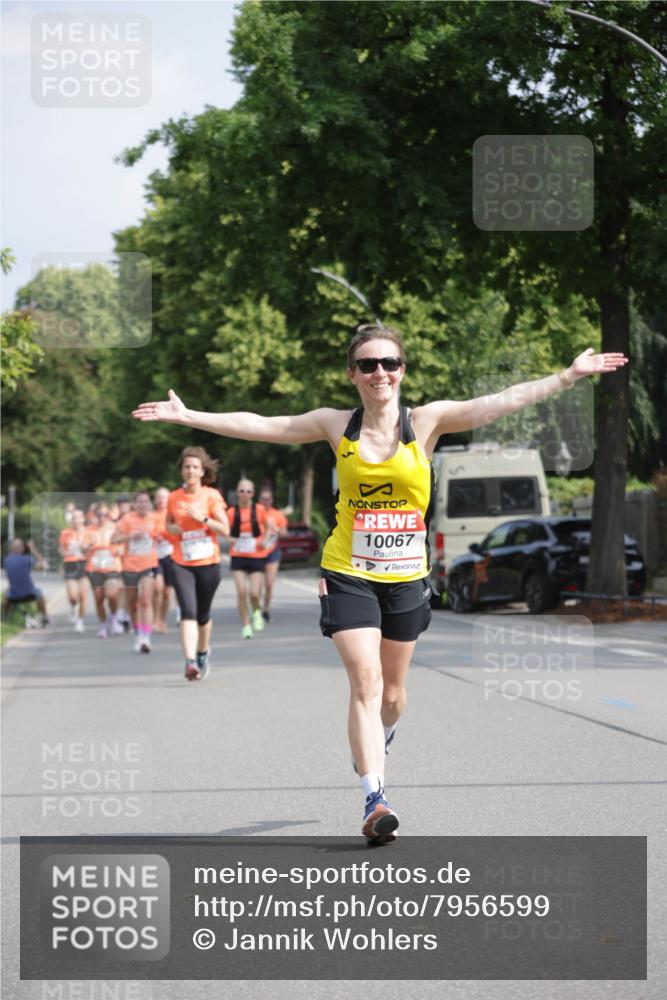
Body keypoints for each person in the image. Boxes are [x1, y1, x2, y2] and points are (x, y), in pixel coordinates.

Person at [133, 328, 628, 842]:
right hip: (348, 570)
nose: (380, 373)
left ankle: (379, 738)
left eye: (389, 363)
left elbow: (497, 402)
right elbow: (263, 424)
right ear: (352, 374)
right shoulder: (335, 425)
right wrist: (191, 416)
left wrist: (567, 377)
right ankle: (375, 798)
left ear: (402, 370)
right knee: (365, 682)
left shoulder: (428, 422)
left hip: (406, 578)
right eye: (367, 365)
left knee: (392, 695)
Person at [165, 447, 230, 681]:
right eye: (186, 467)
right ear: (181, 471)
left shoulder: (211, 496)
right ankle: (190, 661)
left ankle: (202, 651)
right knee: (188, 611)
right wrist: (173, 529)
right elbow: (168, 524)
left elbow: (225, 529)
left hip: (208, 562)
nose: (190, 470)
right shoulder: (174, 498)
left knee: (203, 615)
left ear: (202, 471)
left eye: (194, 467)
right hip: (181, 561)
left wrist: (201, 518)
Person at [112, 491, 160, 653]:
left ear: (150, 504)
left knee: (145, 600)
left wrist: (160, 537)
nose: (143, 505)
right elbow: (113, 539)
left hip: (149, 564)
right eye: (139, 502)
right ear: (134, 504)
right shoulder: (127, 519)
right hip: (130, 566)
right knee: (133, 604)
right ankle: (138, 632)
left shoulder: (155, 519)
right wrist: (130, 536)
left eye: (146, 502)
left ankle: (146, 637)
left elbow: (163, 535)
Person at [227, 478, 270, 639]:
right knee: (241, 592)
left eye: (248, 491)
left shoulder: (259, 509)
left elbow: (267, 528)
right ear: (237, 492)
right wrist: (228, 538)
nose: (245, 494)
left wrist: (265, 540)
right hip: (238, 555)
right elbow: (225, 530)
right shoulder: (231, 512)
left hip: (256, 555)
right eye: (242, 491)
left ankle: (257, 611)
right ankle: (245, 626)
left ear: (253, 493)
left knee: (253, 593)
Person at [83, 505, 124, 638]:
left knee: (111, 594)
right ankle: (103, 625)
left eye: (105, 515)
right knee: (99, 597)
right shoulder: (89, 530)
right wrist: (89, 545)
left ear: (109, 515)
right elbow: (83, 550)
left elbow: (123, 542)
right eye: (99, 515)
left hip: (112, 566)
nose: (102, 517)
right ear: (94, 515)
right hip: (95, 567)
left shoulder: (115, 527)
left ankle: (114, 618)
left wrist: (121, 549)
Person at [258, 485, 289, 623]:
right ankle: (256, 610)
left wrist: (274, 527)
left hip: (272, 552)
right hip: (257, 552)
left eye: (268, 499)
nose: (266, 502)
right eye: (263, 499)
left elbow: (284, 534)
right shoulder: (255, 513)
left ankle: (265, 610)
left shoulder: (278, 515)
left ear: (272, 500)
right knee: (257, 585)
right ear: (259, 500)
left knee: (269, 584)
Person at [2, 539, 49, 626]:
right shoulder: (27, 559)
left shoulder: (6, 561)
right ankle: (44, 616)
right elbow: (43, 565)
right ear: (23, 549)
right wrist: (32, 548)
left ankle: (5, 617)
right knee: (40, 594)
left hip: (13, 595)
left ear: (11, 549)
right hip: (29, 593)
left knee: (5, 594)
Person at [58, 507, 89, 632]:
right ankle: (72, 606)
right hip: (70, 564)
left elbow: (93, 547)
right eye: (74, 517)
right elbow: (60, 548)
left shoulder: (89, 532)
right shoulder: (66, 532)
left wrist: (86, 548)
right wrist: (64, 553)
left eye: (79, 517)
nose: (77, 520)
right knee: (72, 596)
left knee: (83, 595)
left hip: (85, 564)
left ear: (83, 519)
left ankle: (80, 620)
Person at [152, 486, 176, 632]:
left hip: (171, 555)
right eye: (159, 497)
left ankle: (162, 618)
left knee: (167, 592)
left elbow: (178, 534)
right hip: (155, 556)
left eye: (164, 497)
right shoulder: (151, 516)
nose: (161, 500)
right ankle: (155, 619)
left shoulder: (173, 516)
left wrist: (168, 536)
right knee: (157, 588)